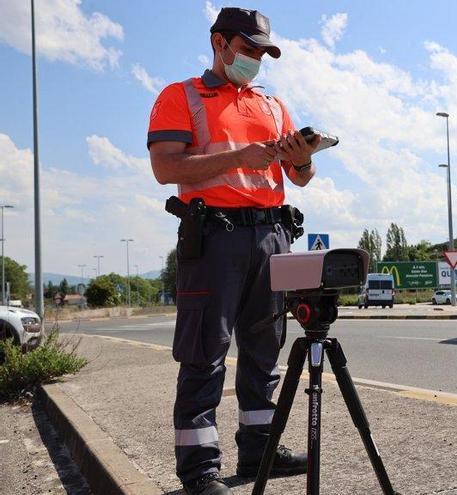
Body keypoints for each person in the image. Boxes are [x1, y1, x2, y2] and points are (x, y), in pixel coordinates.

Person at [147, 7, 318, 495]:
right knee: (205, 351)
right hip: (214, 237)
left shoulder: (272, 105)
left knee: (266, 349)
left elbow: (299, 178)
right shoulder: (181, 97)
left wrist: (302, 158)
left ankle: (261, 449)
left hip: (271, 236)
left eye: (263, 53)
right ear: (219, 43)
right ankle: (200, 471)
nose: (256, 60)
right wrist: (239, 156)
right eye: (248, 49)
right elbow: (165, 168)